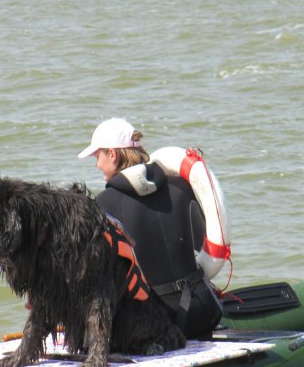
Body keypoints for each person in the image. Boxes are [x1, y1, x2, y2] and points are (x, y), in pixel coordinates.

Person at [78, 118, 223, 340]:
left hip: (154, 326)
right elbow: (201, 242)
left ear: (113, 155)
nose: (97, 164)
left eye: (98, 156)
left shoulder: (104, 204)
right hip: (200, 312)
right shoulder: (181, 187)